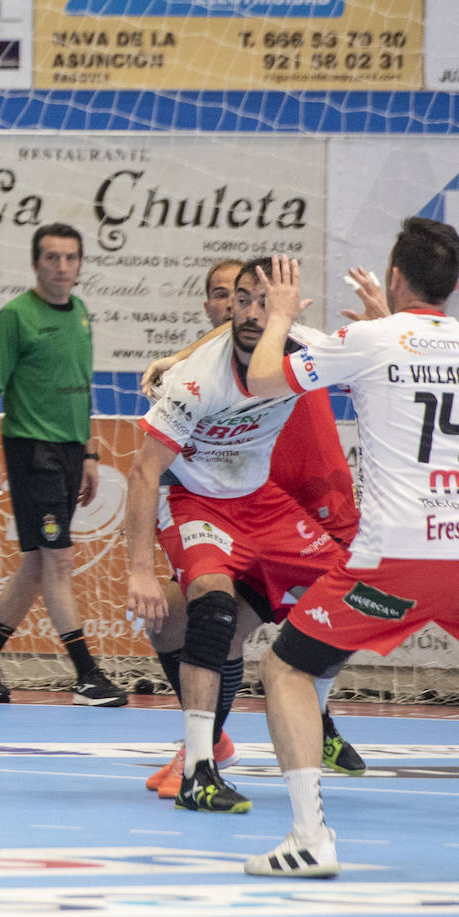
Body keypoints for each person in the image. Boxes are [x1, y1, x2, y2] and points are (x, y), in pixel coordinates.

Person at [243, 221, 459, 877]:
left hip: (393, 562)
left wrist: (279, 314)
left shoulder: (367, 339)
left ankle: (310, 836)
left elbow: (259, 379)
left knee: (286, 668)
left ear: (395, 277)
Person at [126, 256, 352, 814]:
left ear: (282, 308)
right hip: (197, 501)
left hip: (260, 500)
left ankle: (315, 713)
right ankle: (200, 770)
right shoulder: (195, 379)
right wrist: (139, 570)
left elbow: (374, 354)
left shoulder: (302, 349)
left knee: (352, 594)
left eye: (262, 301)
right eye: (241, 299)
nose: (250, 312)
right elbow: (143, 471)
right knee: (211, 606)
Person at [0, 223, 128, 707]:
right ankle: (87, 675)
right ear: (36, 264)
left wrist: (91, 453)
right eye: (52, 258)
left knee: (35, 563)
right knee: (59, 559)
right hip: (32, 452)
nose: (62, 267)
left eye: (71, 258)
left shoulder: (82, 314)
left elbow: (82, 385)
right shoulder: (15, 316)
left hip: (72, 452)